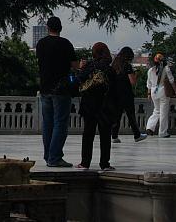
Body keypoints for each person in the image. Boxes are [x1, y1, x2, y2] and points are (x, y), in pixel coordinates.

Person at [36, 17, 78, 168]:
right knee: (60, 123)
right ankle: (55, 157)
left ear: (47, 27)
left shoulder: (41, 43)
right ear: (61, 28)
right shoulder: (65, 44)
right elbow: (74, 66)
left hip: (45, 87)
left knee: (47, 123)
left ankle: (48, 156)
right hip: (61, 89)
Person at [76, 42, 118, 171]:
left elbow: (79, 81)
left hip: (89, 104)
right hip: (105, 106)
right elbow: (115, 89)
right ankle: (104, 163)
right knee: (105, 136)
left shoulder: (89, 66)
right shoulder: (109, 69)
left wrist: (80, 69)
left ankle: (85, 162)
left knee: (88, 134)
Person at [110, 47, 148, 144]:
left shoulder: (114, 66)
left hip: (115, 95)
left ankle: (114, 136)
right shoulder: (127, 66)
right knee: (131, 115)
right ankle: (137, 135)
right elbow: (132, 81)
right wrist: (136, 74)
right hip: (126, 94)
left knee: (116, 116)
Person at [146, 52, 176, 138]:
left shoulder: (150, 70)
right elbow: (171, 81)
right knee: (163, 113)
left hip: (154, 91)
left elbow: (149, 83)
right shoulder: (166, 69)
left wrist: (149, 93)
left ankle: (150, 127)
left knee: (156, 110)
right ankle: (162, 132)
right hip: (163, 91)